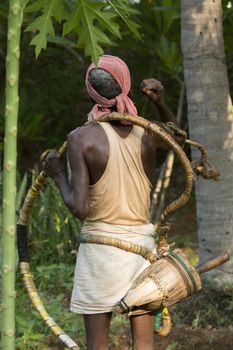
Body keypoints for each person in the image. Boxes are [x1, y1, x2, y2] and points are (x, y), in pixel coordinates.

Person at [44, 55, 184, 350]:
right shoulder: (147, 131)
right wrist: (160, 102)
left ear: (90, 92)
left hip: (101, 255)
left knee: (97, 346)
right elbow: (179, 141)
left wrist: (58, 175)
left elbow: (80, 208)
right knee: (144, 346)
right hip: (140, 253)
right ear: (127, 84)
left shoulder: (81, 138)